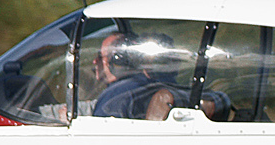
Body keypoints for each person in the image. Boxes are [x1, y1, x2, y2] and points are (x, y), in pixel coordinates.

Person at [89, 31, 231, 121]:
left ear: (119, 60)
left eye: (100, 56)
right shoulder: (171, 86)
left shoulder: (118, 94)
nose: (95, 62)